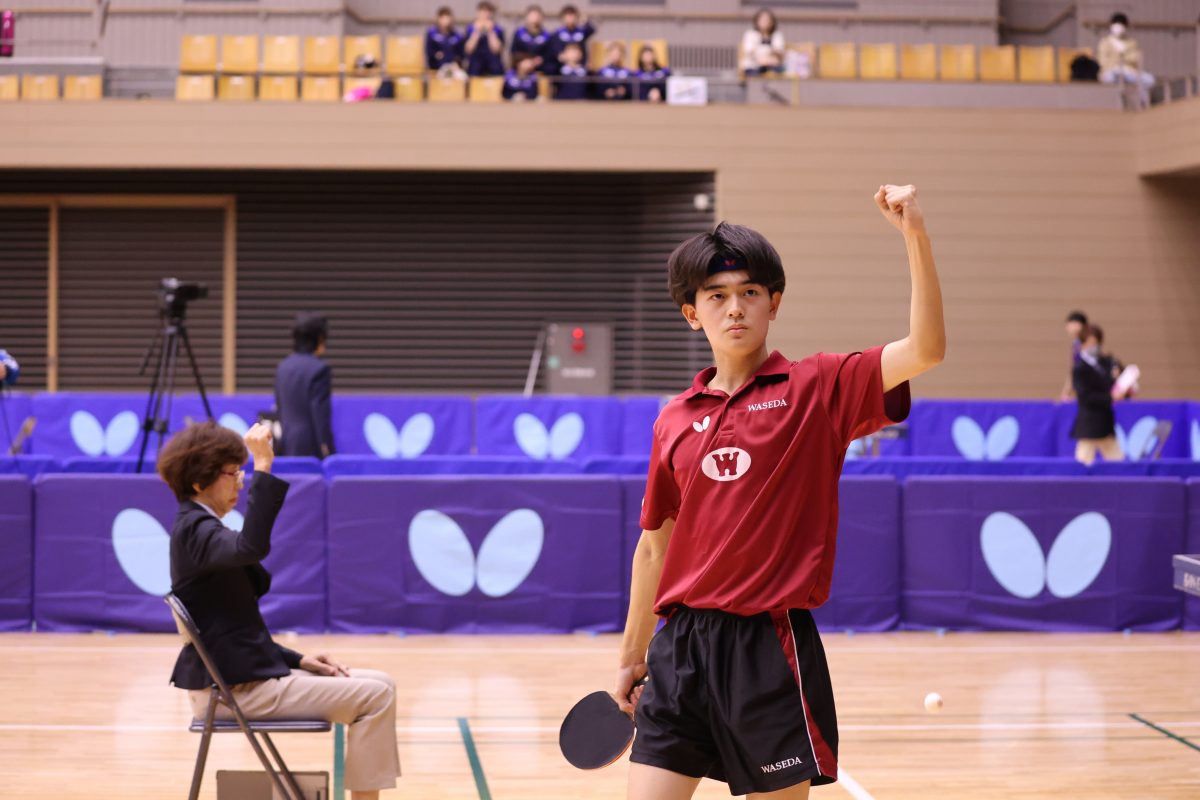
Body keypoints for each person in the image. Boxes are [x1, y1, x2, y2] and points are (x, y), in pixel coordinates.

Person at [614, 185, 944, 799]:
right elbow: (654, 549)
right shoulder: (675, 418)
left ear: (774, 304)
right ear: (692, 313)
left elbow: (926, 349)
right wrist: (632, 656)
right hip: (680, 649)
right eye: (716, 297)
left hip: (770, 646)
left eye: (749, 294)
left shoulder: (818, 387)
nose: (734, 309)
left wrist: (915, 236)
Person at [160, 421, 400, 799]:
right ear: (199, 482)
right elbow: (250, 548)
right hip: (232, 693)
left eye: (241, 473)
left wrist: (299, 660)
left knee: (382, 682)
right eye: (232, 473)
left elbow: (232, 632)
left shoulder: (200, 528)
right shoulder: (195, 530)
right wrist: (263, 467)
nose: (239, 482)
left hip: (239, 680)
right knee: (375, 696)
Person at [274, 312, 335, 459]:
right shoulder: (320, 369)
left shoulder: (283, 367)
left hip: (285, 443)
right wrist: (329, 450)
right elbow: (320, 415)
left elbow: (279, 407)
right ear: (320, 338)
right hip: (309, 447)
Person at [1071, 325, 1123, 465]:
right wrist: (1110, 398)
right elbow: (1085, 397)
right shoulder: (1079, 369)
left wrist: (1119, 380)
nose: (1094, 346)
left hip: (1106, 424)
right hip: (1088, 426)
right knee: (1082, 465)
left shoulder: (1107, 362)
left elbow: (1114, 384)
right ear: (1082, 344)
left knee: (1118, 465)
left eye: (1096, 343)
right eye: (1090, 343)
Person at [1098, 12, 1154, 107]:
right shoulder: (1105, 42)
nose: (1118, 27)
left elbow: (1136, 58)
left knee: (1149, 79)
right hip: (1110, 71)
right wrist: (1118, 63)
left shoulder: (1132, 43)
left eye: (1121, 25)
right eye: (1116, 24)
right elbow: (1102, 61)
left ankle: (1143, 103)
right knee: (1110, 79)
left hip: (1128, 71)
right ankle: (1112, 105)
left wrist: (1121, 58)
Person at [549, 4, 595, 75]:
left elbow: (592, 30)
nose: (570, 18)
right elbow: (554, 49)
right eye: (567, 16)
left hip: (580, 66)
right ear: (562, 18)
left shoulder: (581, 31)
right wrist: (559, 56)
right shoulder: (557, 34)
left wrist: (585, 20)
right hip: (562, 67)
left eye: (572, 15)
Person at [464, 0, 505, 77]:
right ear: (478, 13)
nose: (485, 14)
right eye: (482, 11)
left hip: (493, 62)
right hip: (476, 62)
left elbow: (496, 50)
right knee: (473, 67)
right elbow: (468, 49)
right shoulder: (470, 28)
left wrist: (490, 31)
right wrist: (477, 32)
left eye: (487, 11)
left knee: (497, 68)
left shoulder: (498, 29)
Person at [741, 8, 785, 77]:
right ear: (757, 21)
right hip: (754, 66)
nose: (765, 22)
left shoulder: (777, 35)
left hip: (773, 66)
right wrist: (766, 56)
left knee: (781, 70)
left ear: (772, 22)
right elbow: (749, 52)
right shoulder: (750, 34)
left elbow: (779, 51)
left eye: (768, 20)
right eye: (762, 19)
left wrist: (768, 59)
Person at [512, 4, 552, 73]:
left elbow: (550, 54)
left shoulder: (547, 35)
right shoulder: (519, 33)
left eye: (537, 15)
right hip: (521, 67)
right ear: (526, 17)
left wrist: (541, 60)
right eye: (532, 15)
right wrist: (525, 61)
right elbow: (513, 51)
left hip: (540, 68)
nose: (535, 18)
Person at [425, 6, 465, 73]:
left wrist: (457, 63)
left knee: (462, 76)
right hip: (437, 67)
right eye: (443, 18)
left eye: (447, 18)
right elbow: (429, 52)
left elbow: (461, 54)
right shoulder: (431, 34)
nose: (445, 21)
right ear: (438, 19)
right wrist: (436, 55)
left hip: (454, 68)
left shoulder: (457, 36)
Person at [1059, 309, 1088, 402]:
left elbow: (1076, 370)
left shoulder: (1085, 344)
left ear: (1078, 325)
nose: (1067, 328)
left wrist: (1066, 391)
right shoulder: (1076, 344)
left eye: (1069, 324)